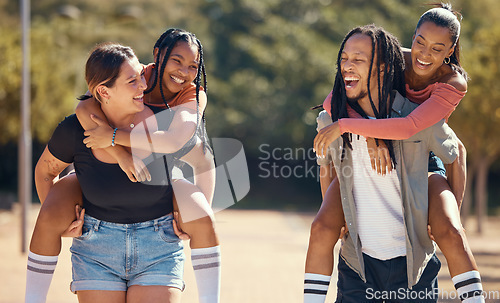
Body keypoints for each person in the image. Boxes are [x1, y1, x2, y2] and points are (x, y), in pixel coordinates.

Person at [25, 29, 221, 303]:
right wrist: (120, 154)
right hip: (99, 236)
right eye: (177, 61)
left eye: (193, 66)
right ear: (158, 56)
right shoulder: (139, 73)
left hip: (158, 214)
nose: (184, 71)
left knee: (199, 210)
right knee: (63, 191)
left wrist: (115, 137)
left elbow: (184, 146)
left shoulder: (191, 96)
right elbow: (85, 108)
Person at [305, 5, 484, 303]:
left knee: (451, 232)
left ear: (450, 50)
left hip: (422, 151)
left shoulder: (453, 83)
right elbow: (332, 100)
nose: (424, 54)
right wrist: (370, 133)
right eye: (420, 42)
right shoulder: (391, 59)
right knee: (322, 226)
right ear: (412, 37)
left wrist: (444, 215)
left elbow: (414, 128)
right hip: (378, 132)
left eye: (438, 48)